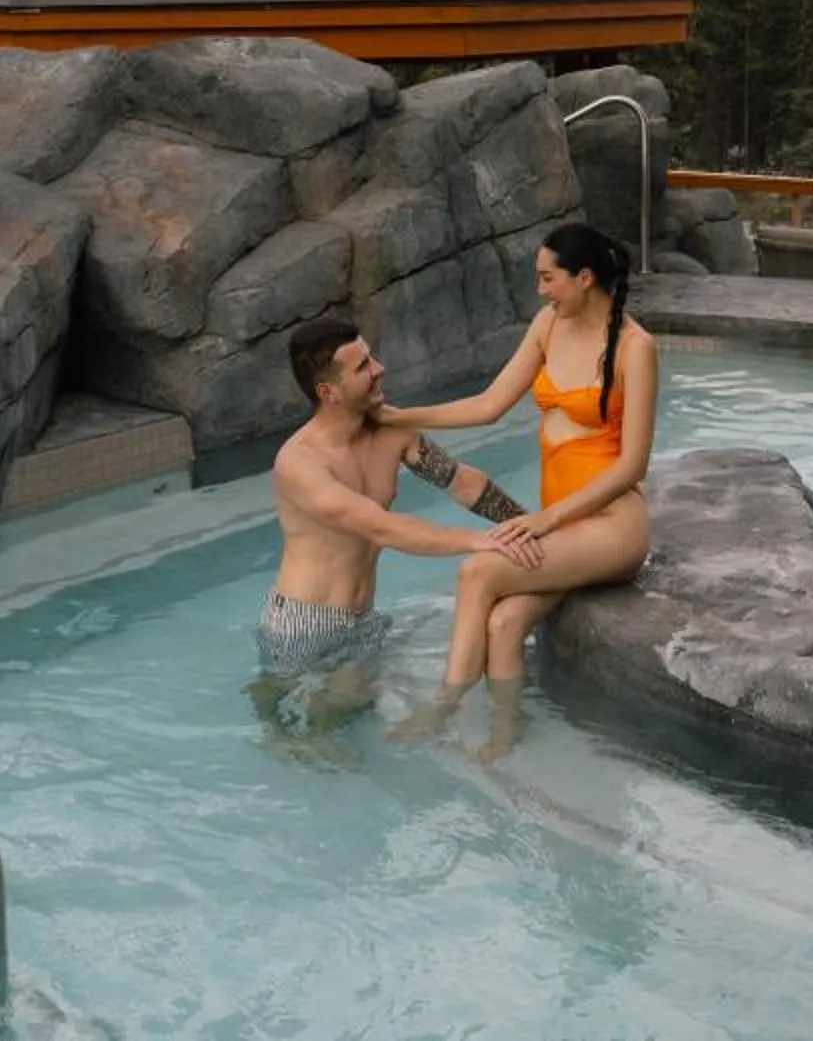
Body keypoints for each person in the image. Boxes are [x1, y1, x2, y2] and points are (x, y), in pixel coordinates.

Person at [376, 221, 657, 745]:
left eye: (548, 278)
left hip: (612, 527)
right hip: (564, 527)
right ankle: (505, 733)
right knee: (504, 624)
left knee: (477, 572)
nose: (540, 289)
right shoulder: (548, 326)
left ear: (585, 278)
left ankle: (446, 705)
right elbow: (488, 406)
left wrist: (546, 520)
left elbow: (633, 465)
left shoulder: (635, 347)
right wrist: (399, 417)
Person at [254, 314, 540, 731]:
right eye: (363, 366)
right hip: (302, 623)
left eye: (372, 358)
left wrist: (532, 525)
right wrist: (480, 541)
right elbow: (381, 526)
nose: (379, 369)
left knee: (347, 716)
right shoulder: (299, 463)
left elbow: (460, 482)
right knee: (291, 720)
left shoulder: (393, 432)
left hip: (362, 618)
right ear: (328, 391)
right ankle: (273, 732)